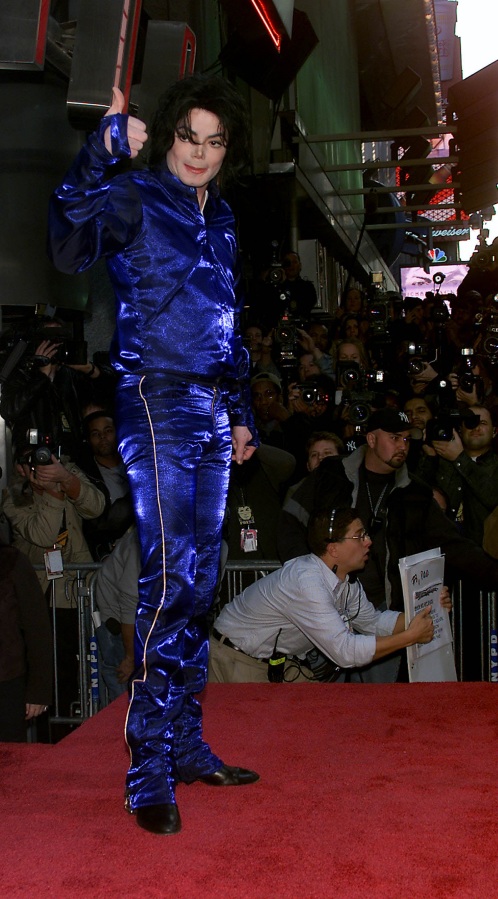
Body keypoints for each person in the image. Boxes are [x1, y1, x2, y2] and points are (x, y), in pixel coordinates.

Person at [48, 74, 260, 835]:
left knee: (200, 585)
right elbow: (69, 242)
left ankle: (187, 743)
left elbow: (230, 328)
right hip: (152, 399)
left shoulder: (225, 217)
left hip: (209, 407)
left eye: (214, 141)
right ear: (167, 136)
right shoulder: (136, 197)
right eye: (187, 137)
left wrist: (240, 414)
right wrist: (100, 152)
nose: (199, 153)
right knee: (170, 580)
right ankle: (147, 768)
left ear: (227, 148)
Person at [278, 407, 498, 681]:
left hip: (382, 610)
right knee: (323, 705)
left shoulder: (415, 492)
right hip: (327, 604)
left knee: (378, 706)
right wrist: (308, 581)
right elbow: (290, 523)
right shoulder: (331, 475)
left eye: (406, 439)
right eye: (394, 437)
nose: (402, 446)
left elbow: (454, 545)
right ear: (371, 440)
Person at [209, 507, 451, 683]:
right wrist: (409, 637)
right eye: (359, 536)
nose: (368, 542)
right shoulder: (306, 582)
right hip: (236, 658)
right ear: (333, 549)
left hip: (275, 661)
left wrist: (425, 610)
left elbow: (374, 623)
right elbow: (345, 652)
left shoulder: (345, 581)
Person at [0, 539, 53, 742]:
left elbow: (37, 629)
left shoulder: (11, 561)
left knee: (9, 764)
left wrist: (39, 691)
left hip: (6, 684)